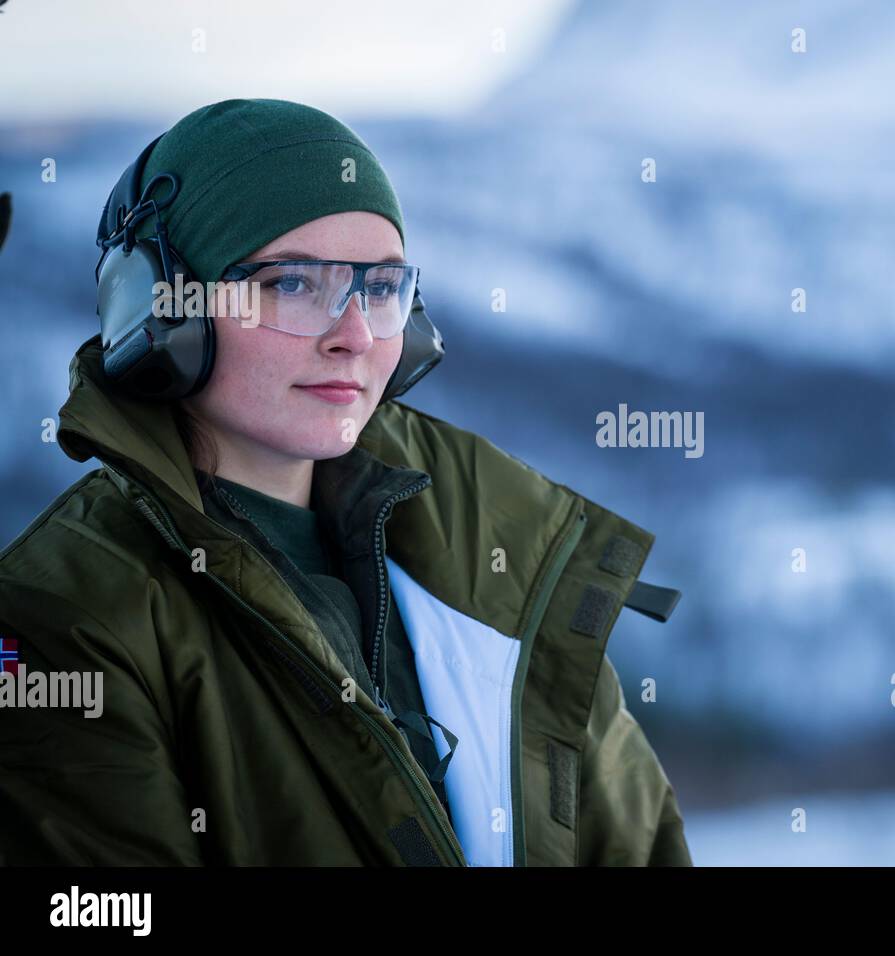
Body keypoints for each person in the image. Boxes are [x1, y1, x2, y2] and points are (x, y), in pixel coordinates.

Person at [0, 98, 691, 866]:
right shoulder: (65, 617)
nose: (356, 335)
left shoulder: (501, 558)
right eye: (293, 284)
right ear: (163, 310)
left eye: (383, 287)